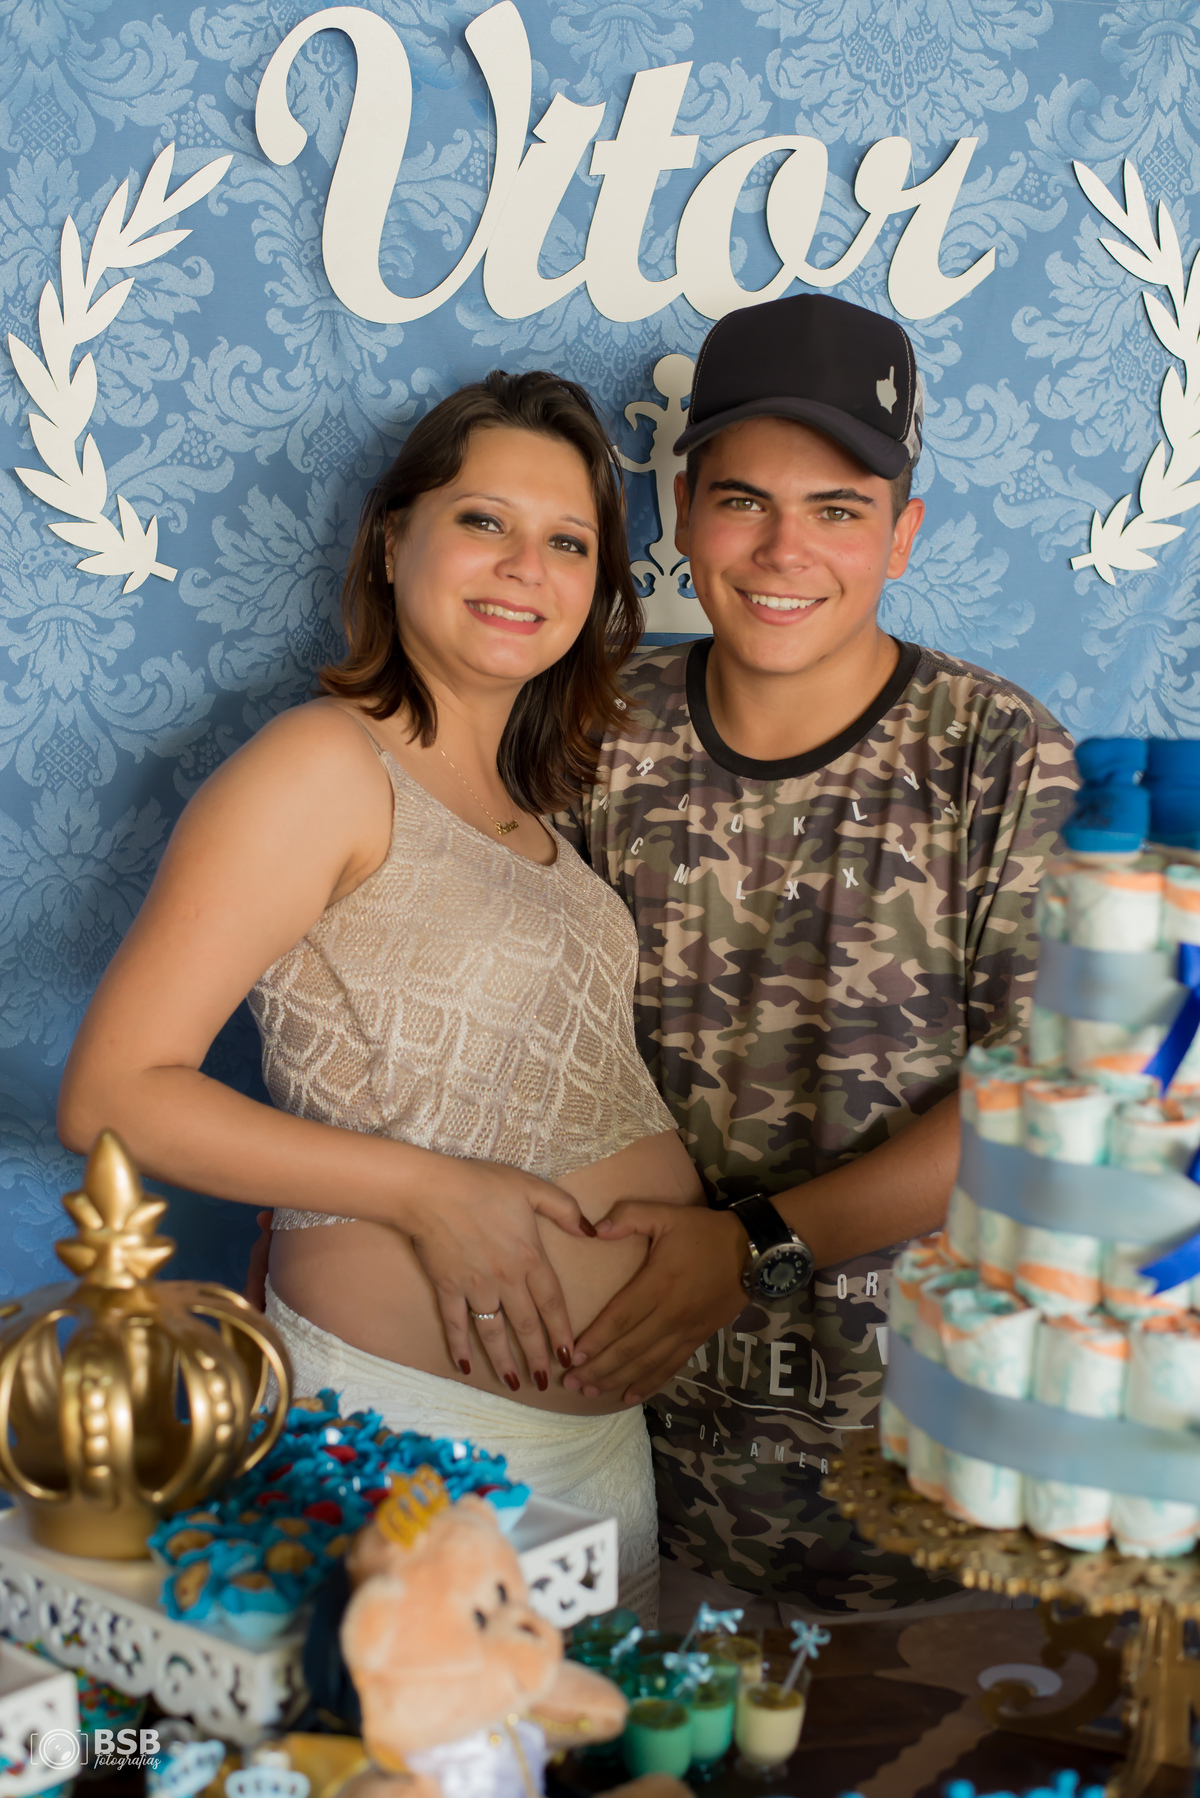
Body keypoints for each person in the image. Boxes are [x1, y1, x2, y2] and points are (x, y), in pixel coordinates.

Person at [57, 370, 706, 1622]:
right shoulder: (322, 764)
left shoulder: (531, 812)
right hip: (416, 1437)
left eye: (568, 541)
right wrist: (428, 1191)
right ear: (391, 539)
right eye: (483, 521)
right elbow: (111, 1096)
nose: (525, 567)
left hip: (596, 1449)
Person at [552, 294, 1079, 1622]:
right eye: (744, 501)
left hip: (920, 1476)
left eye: (838, 509)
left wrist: (756, 1245)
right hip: (620, 1444)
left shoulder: (996, 753)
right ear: (683, 512)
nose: (785, 549)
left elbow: (1044, 1103)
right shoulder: (595, 724)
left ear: (902, 531)